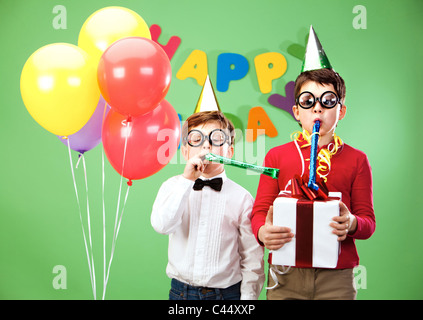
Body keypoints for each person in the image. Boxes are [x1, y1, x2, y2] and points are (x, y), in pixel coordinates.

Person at [251, 26, 375, 300]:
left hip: (337, 277)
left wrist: (352, 223)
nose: (317, 108)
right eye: (308, 101)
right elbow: (260, 210)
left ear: (340, 110)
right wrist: (262, 231)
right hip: (284, 273)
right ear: (296, 111)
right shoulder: (277, 156)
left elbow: (368, 222)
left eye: (327, 101)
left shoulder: (357, 160)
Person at [151, 111, 265, 300]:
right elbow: (162, 225)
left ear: (230, 152)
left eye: (217, 139)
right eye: (196, 139)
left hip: (227, 295)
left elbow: (252, 258)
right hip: (180, 294)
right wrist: (187, 181)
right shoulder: (171, 187)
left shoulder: (242, 198)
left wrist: (248, 300)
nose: (206, 145)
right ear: (185, 151)